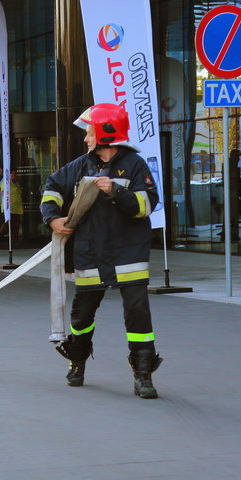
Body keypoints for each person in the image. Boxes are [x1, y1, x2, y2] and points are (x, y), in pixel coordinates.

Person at [40, 103, 162, 399]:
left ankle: (143, 374)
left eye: (90, 132)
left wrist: (115, 191)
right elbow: (52, 187)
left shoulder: (135, 166)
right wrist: (53, 218)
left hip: (128, 253)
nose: (86, 138)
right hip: (91, 253)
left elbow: (146, 206)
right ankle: (77, 361)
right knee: (82, 314)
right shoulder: (81, 165)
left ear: (106, 133)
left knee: (138, 316)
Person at [0, 167, 23, 243]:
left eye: (16, 173)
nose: (15, 175)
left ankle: (15, 239)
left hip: (17, 208)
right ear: (10, 174)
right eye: (14, 174)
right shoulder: (6, 182)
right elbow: (3, 193)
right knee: (7, 224)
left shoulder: (16, 183)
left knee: (16, 224)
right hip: (9, 207)